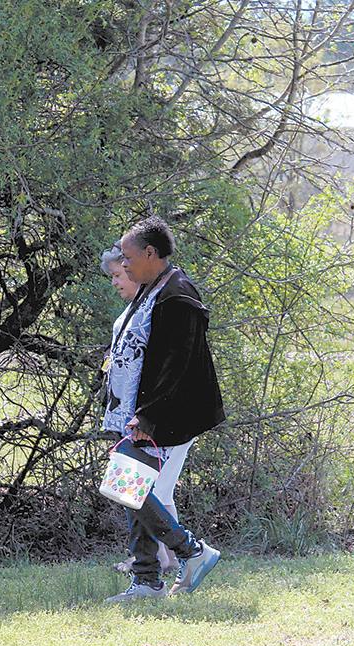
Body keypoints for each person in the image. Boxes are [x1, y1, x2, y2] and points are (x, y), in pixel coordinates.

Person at [102, 215, 224, 602]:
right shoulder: (153, 288)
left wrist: (148, 414)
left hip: (165, 415)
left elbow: (178, 364)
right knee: (131, 488)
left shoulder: (178, 295)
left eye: (128, 257)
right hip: (138, 412)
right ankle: (147, 582)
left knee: (125, 485)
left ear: (150, 253)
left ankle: (191, 551)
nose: (124, 264)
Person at [100, 245, 178, 576]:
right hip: (131, 416)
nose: (116, 281)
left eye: (120, 274)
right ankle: (162, 560)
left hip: (155, 417)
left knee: (139, 488)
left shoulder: (158, 306)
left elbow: (166, 366)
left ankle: (185, 552)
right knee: (141, 489)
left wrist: (146, 414)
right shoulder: (133, 310)